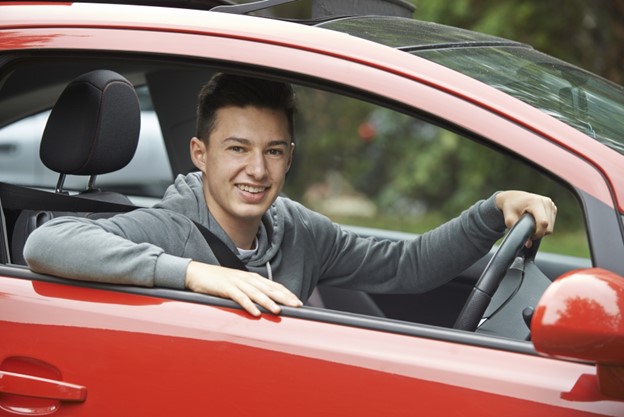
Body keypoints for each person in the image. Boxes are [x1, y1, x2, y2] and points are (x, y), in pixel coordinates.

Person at [24, 73, 557, 317]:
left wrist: (491, 211)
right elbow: (48, 243)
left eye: (274, 151)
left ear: (290, 156)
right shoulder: (170, 226)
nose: (257, 170)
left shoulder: (297, 228)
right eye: (237, 149)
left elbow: (407, 267)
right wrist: (196, 274)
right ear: (200, 153)